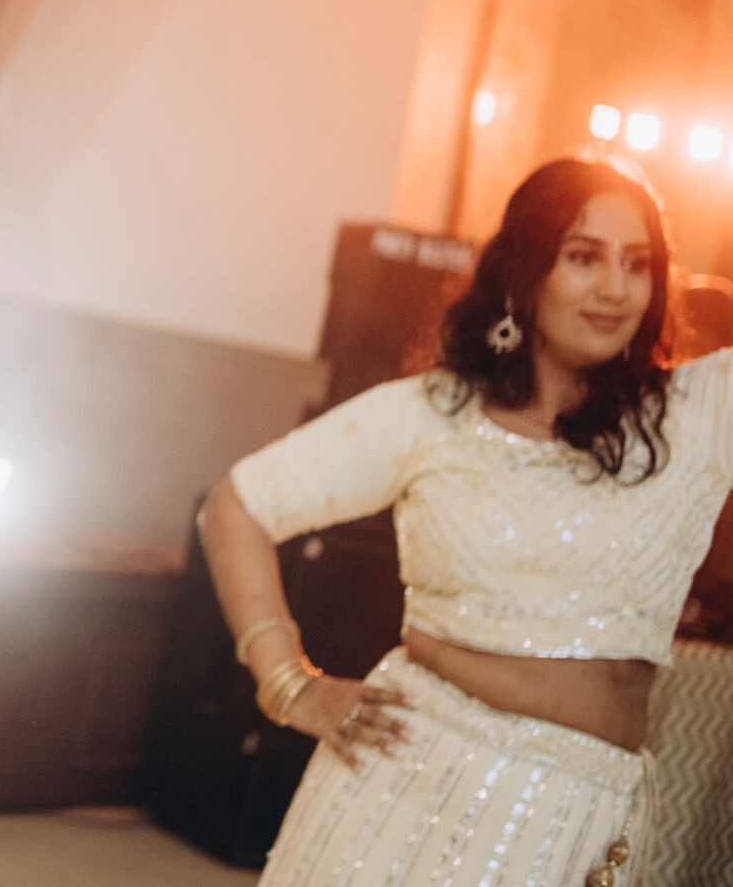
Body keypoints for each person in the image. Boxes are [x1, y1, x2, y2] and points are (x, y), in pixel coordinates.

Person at [200, 156, 733, 887]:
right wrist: (291, 686)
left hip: (579, 813)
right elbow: (235, 508)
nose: (615, 288)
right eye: (583, 257)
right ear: (524, 272)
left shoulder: (693, 418)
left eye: (637, 264)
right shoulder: (435, 416)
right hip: (405, 786)